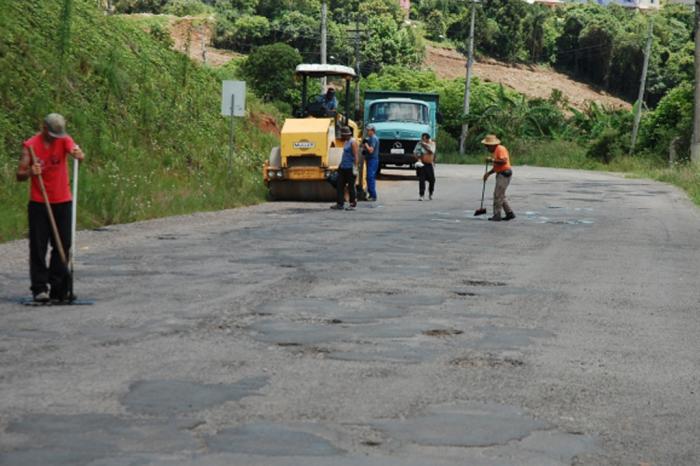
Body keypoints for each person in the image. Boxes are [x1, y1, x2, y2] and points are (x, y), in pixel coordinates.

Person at [16, 113, 85, 302]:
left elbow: (76, 153)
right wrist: (31, 171)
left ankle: (59, 288)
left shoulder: (64, 140)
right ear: (44, 128)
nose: (57, 138)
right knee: (38, 246)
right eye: (53, 134)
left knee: (63, 244)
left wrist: (79, 156)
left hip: (63, 200)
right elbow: (19, 174)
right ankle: (39, 288)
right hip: (39, 202)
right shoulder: (30, 145)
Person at [482, 134, 515, 222]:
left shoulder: (500, 149)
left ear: (492, 145)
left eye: (488, 146)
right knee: (501, 195)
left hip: (504, 174)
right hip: (500, 173)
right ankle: (509, 213)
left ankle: (497, 215)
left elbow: (504, 161)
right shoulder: (496, 151)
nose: (487, 148)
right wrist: (488, 173)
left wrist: (492, 160)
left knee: (498, 195)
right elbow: (497, 167)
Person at [331, 126, 359, 211]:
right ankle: (340, 204)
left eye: (343, 135)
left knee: (351, 186)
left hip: (350, 168)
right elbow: (345, 155)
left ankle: (352, 204)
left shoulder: (353, 142)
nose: (342, 136)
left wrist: (355, 168)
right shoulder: (346, 142)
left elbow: (356, 156)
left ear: (347, 135)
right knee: (340, 185)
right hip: (343, 167)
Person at [413, 133, 436, 201]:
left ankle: (430, 193)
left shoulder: (432, 143)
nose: (423, 140)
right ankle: (421, 195)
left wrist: (424, 145)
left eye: (424, 138)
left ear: (428, 139)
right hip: (422, 164)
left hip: (429, 164)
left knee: (432, 180)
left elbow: (431, 151)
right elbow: (415, 152)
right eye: (422, 138)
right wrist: (417, 157)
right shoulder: (419, 144)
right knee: (421, 180)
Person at [362, 125, 380, 202]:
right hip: (370, 159)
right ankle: (371, 194)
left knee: (370, 177)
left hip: (373, 160)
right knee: (369, 177)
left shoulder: (373, 138)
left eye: (368, 130)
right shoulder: (371, 138)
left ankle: (373, 195)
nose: (367, 132)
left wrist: (365, 144)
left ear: (372, 131)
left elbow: (370, 150)